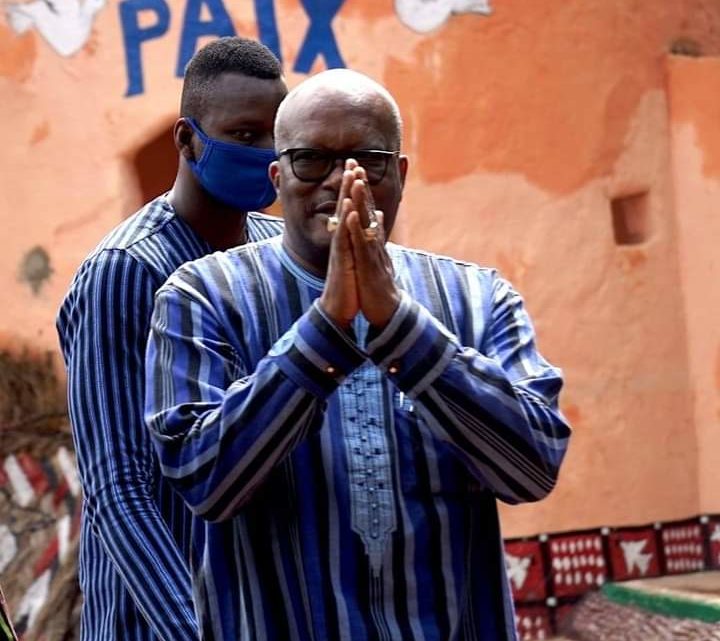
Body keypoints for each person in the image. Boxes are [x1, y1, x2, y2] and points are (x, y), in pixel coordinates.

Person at [144, 69, 571, 641]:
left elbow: (532, 467)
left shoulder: (478, 298)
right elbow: (204, 481)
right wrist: (325, 330)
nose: (340, 183)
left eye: (367, 160)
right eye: (310, 160)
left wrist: (400, 327)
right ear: (277, 175)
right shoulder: (202, 297)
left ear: (399, 175)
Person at [56, 37, 287, 641]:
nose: (265, 154)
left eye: (275, 138)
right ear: (186, 141)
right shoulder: (127, 272)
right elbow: (117, 488)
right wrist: (195, 627)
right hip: (155, 621)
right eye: (242, 135)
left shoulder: (276, 255)